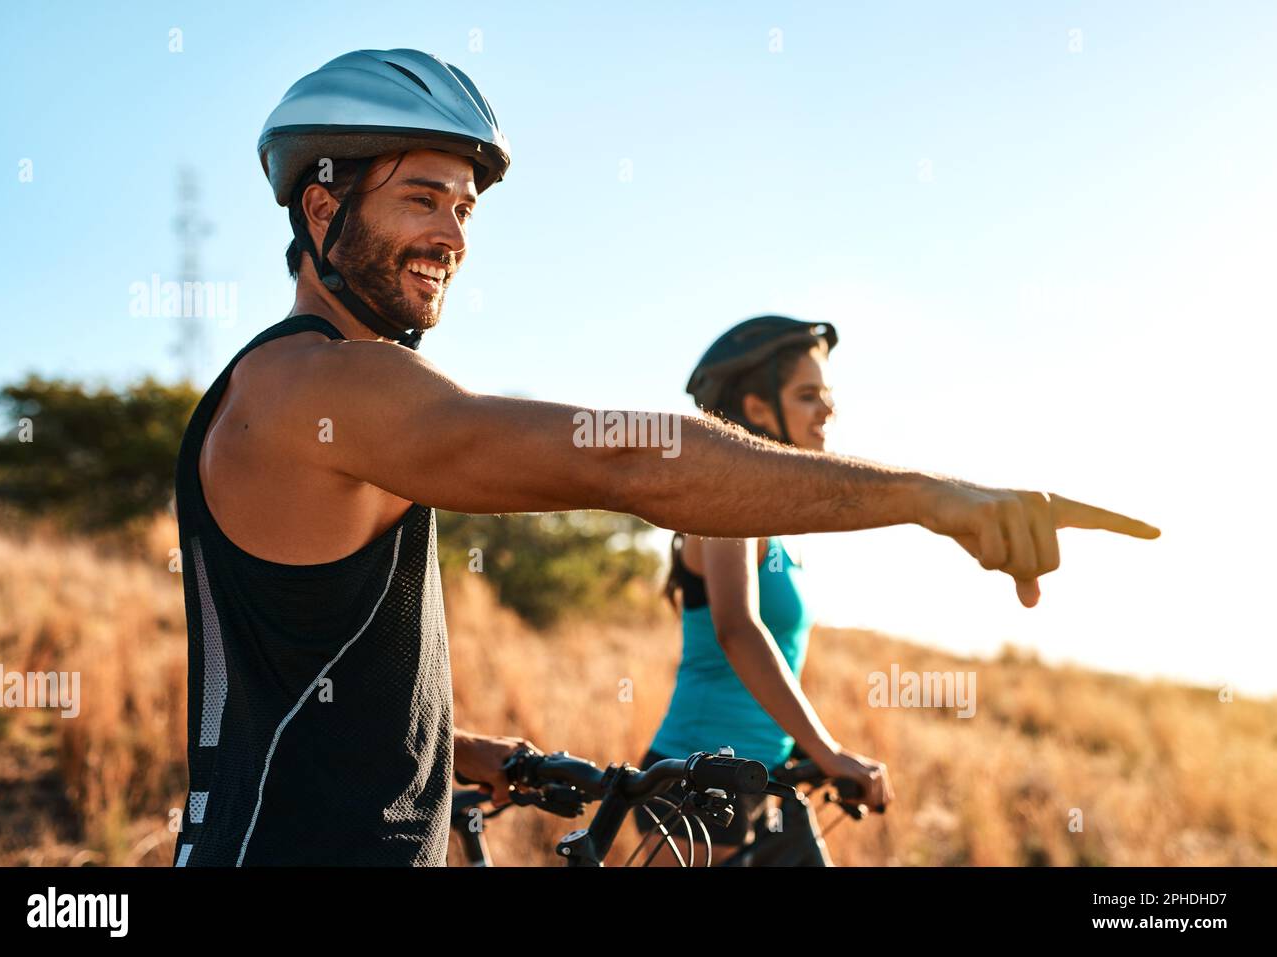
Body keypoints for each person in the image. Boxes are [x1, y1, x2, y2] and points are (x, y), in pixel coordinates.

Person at [171, 48, 1159, 867]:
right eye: (422, 199)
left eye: (464, 210)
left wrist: (459, 750)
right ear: (321, 210)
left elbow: (279, 677)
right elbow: (628, 465)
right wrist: (929, 498)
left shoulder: (289, 398)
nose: (451, 235)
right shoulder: (321, 388)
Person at [634, 316, 886, 866]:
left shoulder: (780, 523)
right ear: (757, 408)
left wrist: (805, 749)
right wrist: (831, 750)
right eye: (807, 395)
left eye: (828, 395)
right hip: (699, 785)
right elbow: (738, 629)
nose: (827, 410)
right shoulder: (726, 507)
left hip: (767, 777)